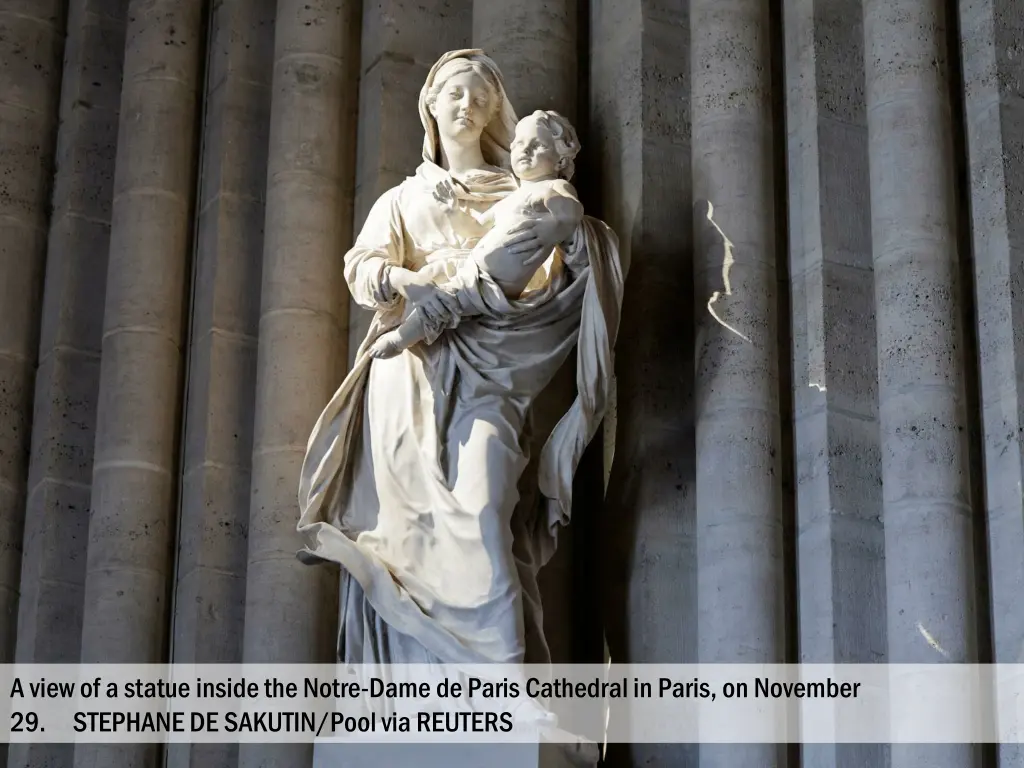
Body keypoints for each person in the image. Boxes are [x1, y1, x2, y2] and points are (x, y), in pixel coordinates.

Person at [295, 49, 625, 672]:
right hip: (407, 372)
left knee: (483, 504)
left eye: (481, 96)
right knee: (400, 531)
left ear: (497, 112)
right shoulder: (403, 198)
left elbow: (556, 273)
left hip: (491, 370)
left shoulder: (524, 191)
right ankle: (409, 684)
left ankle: (501, 678)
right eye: (454, 93)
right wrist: (401, 278)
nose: (467, 105)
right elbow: (361, 270)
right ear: (430, 104)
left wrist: (577, 244)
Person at [366, 110, 585, 359]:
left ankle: (399, 338)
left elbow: (571, 211)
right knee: (444, 301)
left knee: (446, 305)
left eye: (537, 145)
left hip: (498, 281)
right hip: (476, 269)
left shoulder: (551, 187)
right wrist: (451, 208)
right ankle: (402, 336)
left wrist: (551, 230)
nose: (526, 150)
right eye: (520, 143)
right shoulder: (514, 197)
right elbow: (480, 223)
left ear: (559, 161)